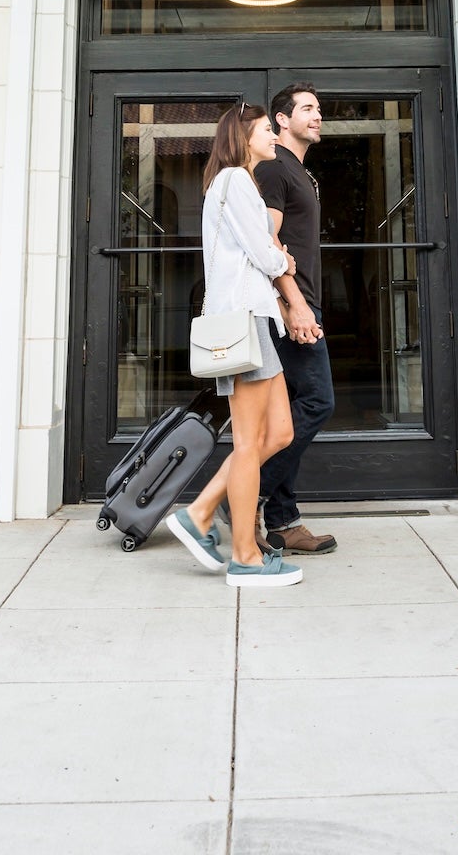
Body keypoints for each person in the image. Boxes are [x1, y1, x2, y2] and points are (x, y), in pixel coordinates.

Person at [165, 102, 304, 589]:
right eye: (268, 130)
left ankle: (200, 511)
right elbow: (263, 255)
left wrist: (274, 256)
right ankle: (244, 557)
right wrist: (281, 258)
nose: (273, 137)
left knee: (279, 433)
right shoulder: (236, 181)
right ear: (245, 136)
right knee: (248, 444)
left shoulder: (235, 183)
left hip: (257, 322)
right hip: (244, 321)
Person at [255, 83, 339, 556]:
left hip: (300, 303)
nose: (317, 116)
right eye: (308, 108)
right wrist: (294, 305)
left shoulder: (299, 172)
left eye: (319, 109)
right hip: (291, 308)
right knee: (318, 402)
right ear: (282, 119)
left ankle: (284, 523)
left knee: (287, 415)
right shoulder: (273, 170)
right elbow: (268, 246)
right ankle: (244, 493)